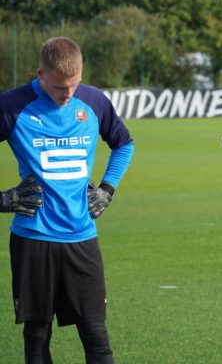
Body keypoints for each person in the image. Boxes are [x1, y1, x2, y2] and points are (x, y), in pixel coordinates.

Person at [0, 36, 134, 363]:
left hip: (82, 238)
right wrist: (3, 199)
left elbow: (124, 144)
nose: (68, 94)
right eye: (60, 87)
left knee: (96, 335)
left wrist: (107, 188)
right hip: (33, 239)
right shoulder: (11, 106)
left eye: (74, 85)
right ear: (40, 74)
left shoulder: (94, 102)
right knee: (36, 337)